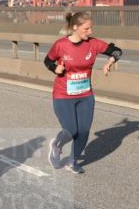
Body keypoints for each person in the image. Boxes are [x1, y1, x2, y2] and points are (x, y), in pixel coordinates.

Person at [45, 10, 122, 174]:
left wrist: (110, 61)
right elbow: (48, 60)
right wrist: (55, 68)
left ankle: (72, 162)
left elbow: (117, 51)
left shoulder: (93, 44)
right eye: (86, 29)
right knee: (72, 130)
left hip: (85, 95)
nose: (90, 32)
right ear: (75, 28)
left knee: (84, 131)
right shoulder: (61, 45)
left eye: (91, 28)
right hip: (63, 96)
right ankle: (56, 145)